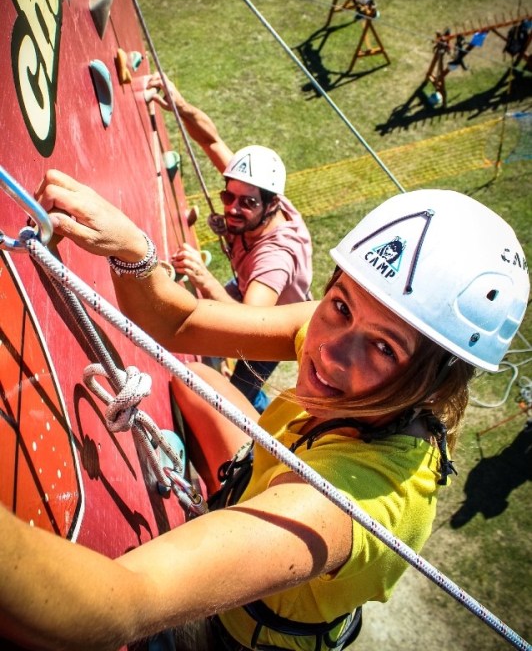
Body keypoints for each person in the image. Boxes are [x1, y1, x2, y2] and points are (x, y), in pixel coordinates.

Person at [1, 170, 528, 651]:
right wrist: (133, 251)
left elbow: (122, 602)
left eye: (384, 347)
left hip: (239, 636)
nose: (329, 351)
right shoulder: (347, 333)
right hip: (265, 472)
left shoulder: (349, 504)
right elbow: (182, 324)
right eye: (340, 304)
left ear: (436, 382)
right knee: (199, 383)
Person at [148, 74, 313, 410]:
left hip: (272, 326)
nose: (233, 209)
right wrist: (181, 105)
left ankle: (257, 415)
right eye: (228, 196)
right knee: (209, 320)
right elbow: (211, 141)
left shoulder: (275, 259)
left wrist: (204, 278)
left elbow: (250, 325)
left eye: (247, 203)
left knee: (236, 397)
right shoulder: (256, 188)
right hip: (248, 289)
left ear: (272, 204)